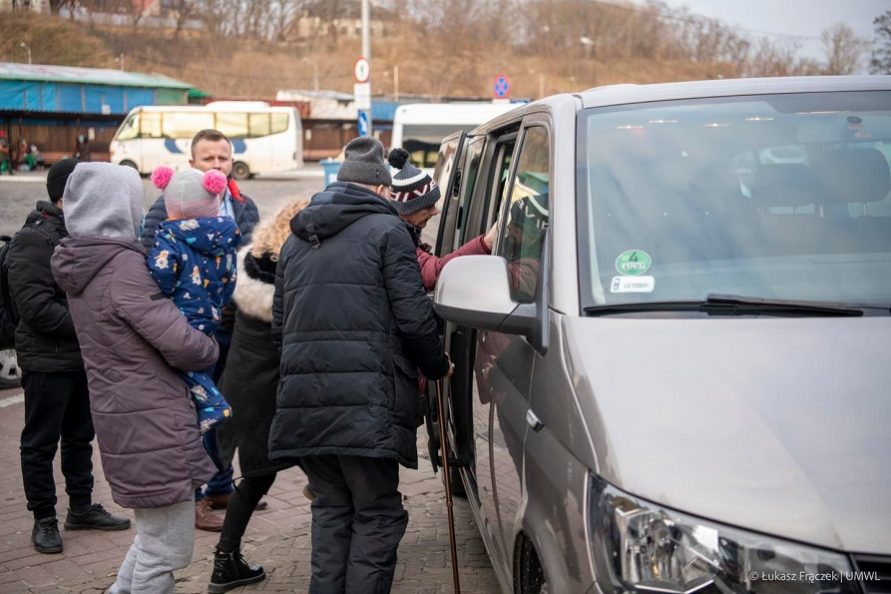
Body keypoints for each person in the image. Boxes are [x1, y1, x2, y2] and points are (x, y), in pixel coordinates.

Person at [269, 137, 453, 594]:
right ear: (379, 188)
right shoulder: (388, 233)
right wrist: (437, 362)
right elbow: (414, 316)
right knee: (377, 514)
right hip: (367, 407)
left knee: (331, 510)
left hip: (305, 405)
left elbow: (279, 328)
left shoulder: (295, 240)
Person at [51, 162, 220, 594]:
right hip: (153, 420)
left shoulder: (85, 263)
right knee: (166, 551)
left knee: (153, 541)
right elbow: (182, 343)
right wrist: (209, 344)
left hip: (126, 415)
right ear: (120, 207)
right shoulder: (123, 269)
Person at [6, 158, 130, 554]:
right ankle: (44, 517)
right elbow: (36, 310)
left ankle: (81, 506)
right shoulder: (33, 240)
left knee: (80, 436)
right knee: (40, 442)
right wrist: (94, 322)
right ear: (65, 196)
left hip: (81, 358)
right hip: (46, 360)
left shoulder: (83, 234)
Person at [140, 129, 260, 530]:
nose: (217, 165)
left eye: (223, 158)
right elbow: (150, 264)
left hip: (231, 325)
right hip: (184, 330)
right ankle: (194, 497)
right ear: (193, 164)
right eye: (208, 158)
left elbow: (253, 259)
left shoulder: (243, 206)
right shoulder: (165, 207)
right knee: (193, 409)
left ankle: (222, 484)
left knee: (224, 406)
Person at [207, 198, 309, 594]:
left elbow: (226, 325)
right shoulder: (297, 275)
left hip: (241, 389)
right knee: (326, 469)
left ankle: (224, 561)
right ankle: (346, 554)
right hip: (278, 397)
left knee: (256, 478)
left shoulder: (246, 264)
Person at [146, 165, 241, 434]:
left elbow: (161, 273)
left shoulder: (169, 237)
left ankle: (212, 403)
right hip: (212, 312)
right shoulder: (225, 237)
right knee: (201, 359)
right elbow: (230, 279)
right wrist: (218, 303)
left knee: (180, 362)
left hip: (181, 314)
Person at [386, 147, 497, 291]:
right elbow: (437, 272)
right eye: (428, 207)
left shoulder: (406, 230)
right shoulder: (395, 238)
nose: (435, 212)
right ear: (406, 210)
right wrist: (485, 243)